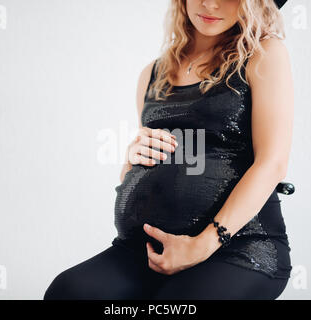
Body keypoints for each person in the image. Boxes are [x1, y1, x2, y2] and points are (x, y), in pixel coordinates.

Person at [44, 0, 294, 300]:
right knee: (67, 292)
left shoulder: (264, 54)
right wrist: (131, 158)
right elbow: (143, 172)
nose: (210, 4)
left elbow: (272, 162)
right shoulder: (152, 73)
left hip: (236, 248)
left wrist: (202, 245)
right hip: (145, 249)